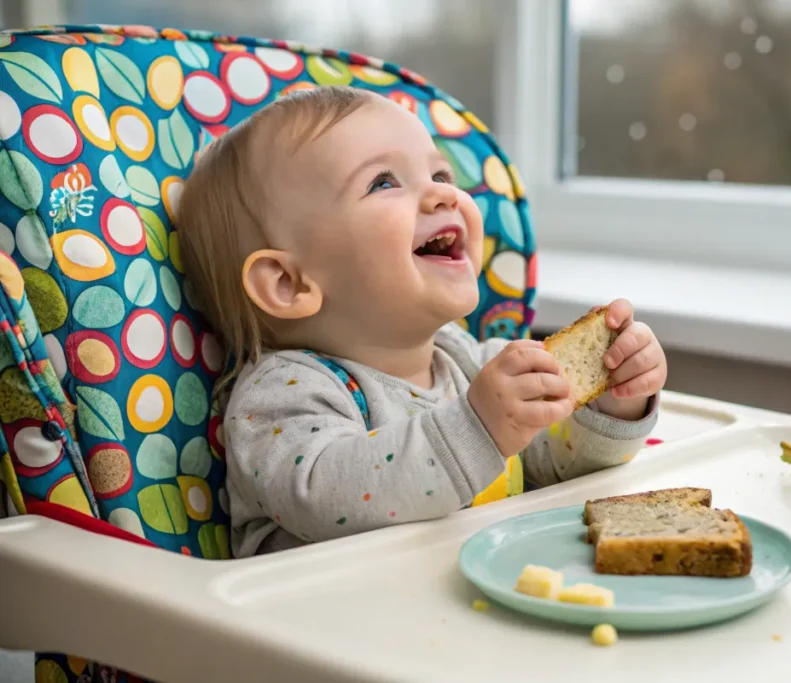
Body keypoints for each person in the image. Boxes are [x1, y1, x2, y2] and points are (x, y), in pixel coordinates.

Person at [176, 86, 668, 557]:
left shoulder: (472, 366)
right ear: (289, 283)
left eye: (442, 176)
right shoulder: (284, 394)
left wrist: (614, 404)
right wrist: (477, 428)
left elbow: (559, 468)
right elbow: (324, 496)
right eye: (383, 182)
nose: (443, 196)